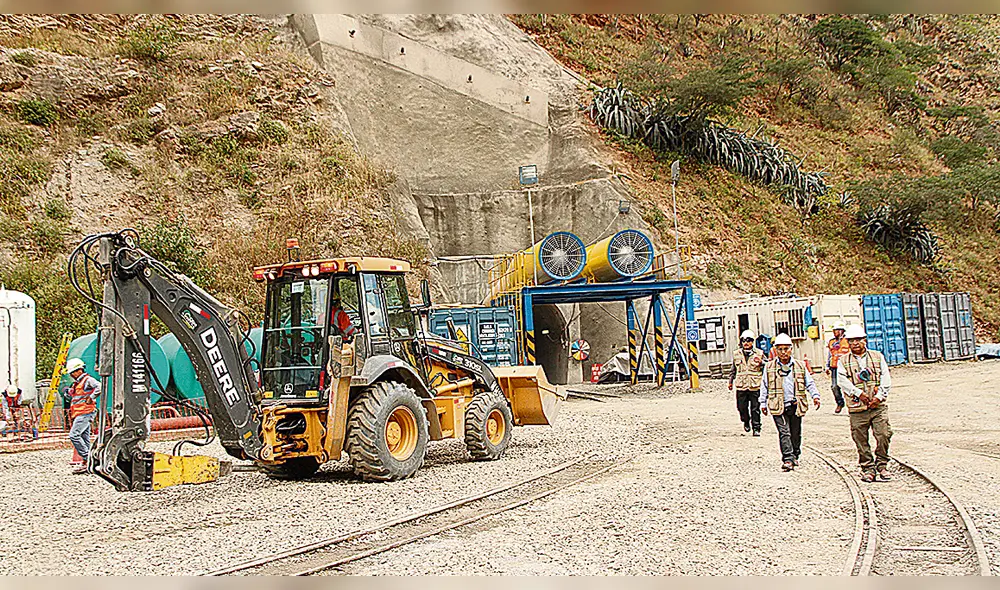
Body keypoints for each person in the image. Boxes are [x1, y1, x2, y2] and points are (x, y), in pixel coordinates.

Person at [837, 324, 893, 483]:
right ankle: (868, 468)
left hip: (878, 406)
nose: (855, 343)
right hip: (857, 407)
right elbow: (842, 380)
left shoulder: (877, 356)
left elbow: (885, 377)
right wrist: (859, 394)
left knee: (883, 434)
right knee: (860, 439)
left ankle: (882, 464)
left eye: (858, 340)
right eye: (851, 340)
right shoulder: (843, 360)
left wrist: (880, 396)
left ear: (864, 340)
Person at [759, 333, 821, 471]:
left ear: (791, 349)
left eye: (786, 349)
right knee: (784, 432)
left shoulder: (799, 366)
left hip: (795, 405)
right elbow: (764, 385)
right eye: (780, 349)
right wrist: (762, 403)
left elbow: (809, 383)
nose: (783, 352)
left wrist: (815, 396)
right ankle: (787, 459)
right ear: (775, 350)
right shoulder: (769, 367)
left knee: (795, 432)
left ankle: (795, 455)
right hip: (778, 405)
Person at [64, 358, 100, 474]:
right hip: (80, 413)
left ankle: (88, 459)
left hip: (86, 412)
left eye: (72, 372)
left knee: (74, 435)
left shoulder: (88, 380)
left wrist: (92, 397)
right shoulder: (78, 383)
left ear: (79, 370)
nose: (72, 375)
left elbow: (99, 386)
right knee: (84, 438)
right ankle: (88, 464)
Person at [729, 329, 765, 436]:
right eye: (744, 341)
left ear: (752, 342)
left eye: (749, 340)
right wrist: (730, 382)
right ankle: (745, 421)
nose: (746, 343)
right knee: (741, 407)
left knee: (755, 408)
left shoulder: (759, 353)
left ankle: (756, 427)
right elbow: (733, 369)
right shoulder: (736, 354)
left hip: (755, 385)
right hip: (741, 386)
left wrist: (761, 362)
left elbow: (768, 366)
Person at [825, 322, 850, 413]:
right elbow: (829, 355)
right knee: (834, 386)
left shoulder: (848, 340)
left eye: (836, 330)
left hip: (846, 367)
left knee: (848, 386)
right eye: (834, 330)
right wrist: (827, 366)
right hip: (834, 367)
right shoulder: (832, 342)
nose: (834, 332)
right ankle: (840, 402)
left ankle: (852, 404)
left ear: (841, 331)